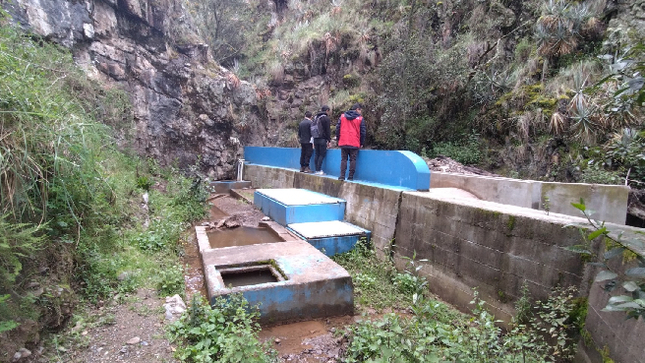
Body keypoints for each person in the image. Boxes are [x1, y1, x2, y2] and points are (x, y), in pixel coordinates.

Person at [336, 103, 365, 181]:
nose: (361, 112)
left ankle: (342, 176)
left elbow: (337, 129)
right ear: (357, 109)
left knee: (343, 159)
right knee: (353, 159)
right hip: (354, 142)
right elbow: (362, 132)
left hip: (343, 141)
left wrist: (339, 139)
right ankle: (350, 176)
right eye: (360, 110)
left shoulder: (342, 117)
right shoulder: (360, 119)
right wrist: (361, 142)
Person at [312, 105, 331, 175]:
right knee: (322, 154)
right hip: (322, 139)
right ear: (327, 110)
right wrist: (329, 140)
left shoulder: (316, 117)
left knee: (317, 154)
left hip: (315, 138)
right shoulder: (326, 118)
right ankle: (318, 170)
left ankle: (316, 170)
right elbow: (327, 130)